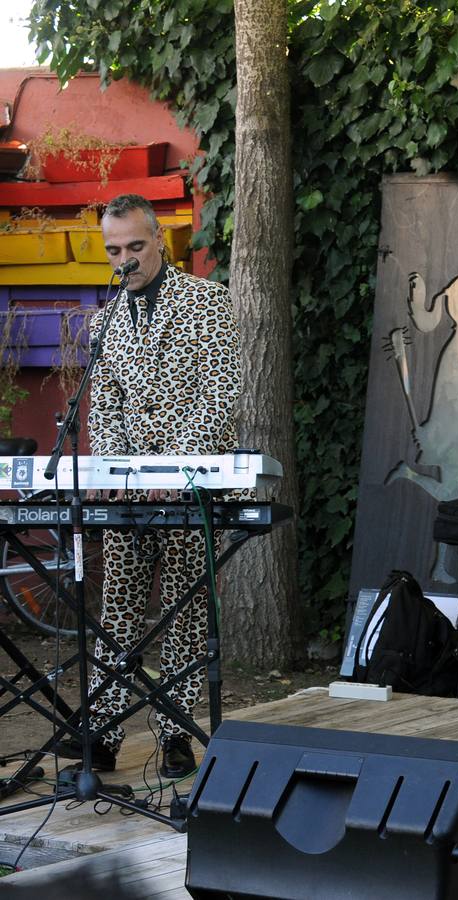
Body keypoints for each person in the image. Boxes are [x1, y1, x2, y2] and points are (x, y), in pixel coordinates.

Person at [55, 193, 243, 780]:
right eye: (114, 250)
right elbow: (106, 404)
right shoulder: (107, 317)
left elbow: (221, 390)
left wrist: (174, 467)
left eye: (135, 246)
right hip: (129, 493)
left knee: (185, 611)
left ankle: (175, 732)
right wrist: (114, 471)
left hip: (191, 486)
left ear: (160, 239)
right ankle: (105, 732)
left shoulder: (206, 300)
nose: (125, 260)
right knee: (118, 610)